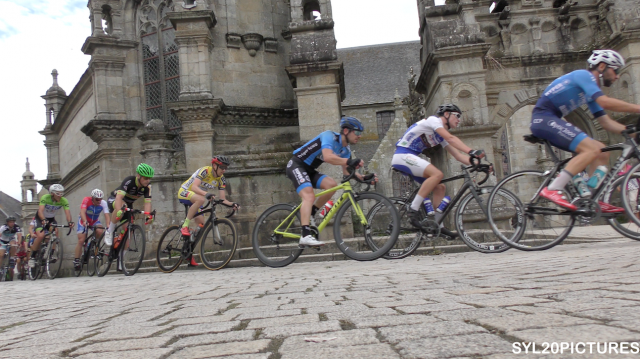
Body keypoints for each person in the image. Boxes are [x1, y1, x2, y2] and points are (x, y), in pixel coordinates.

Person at [531, 49, 640, 211]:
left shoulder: (590, 92)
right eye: (615, 70)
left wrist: (633, 133)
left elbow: (607, 123)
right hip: (544, 118)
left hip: (550, 120)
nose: (617, 76)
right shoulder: (584, 76)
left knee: (602, 151)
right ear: (602, 66)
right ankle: (553, 188)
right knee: (590, 149)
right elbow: (604, 102)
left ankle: (592, 197)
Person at [392, 103, 485, 238]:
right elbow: (451, 138)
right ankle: (413, 209)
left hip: (410, 158)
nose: (459, 120)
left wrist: (479, 163)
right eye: (457, 116)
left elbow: (458, 156)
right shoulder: (433, 121)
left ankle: (438, 225)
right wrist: (472, 151)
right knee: (437, 174)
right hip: (403, 155)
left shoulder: (439, 136)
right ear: (446, 114)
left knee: (440, 187)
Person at [286, 116, 375, 246]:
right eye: (357, 132)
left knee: (332, 185)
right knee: (309, 196)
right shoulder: (329, 136)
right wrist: (349, 161)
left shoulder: (345, 150)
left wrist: (363, 178)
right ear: (346, 131)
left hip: (309, 171)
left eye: (360, 133)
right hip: (296, 165)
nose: (359, 136)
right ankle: (305, 235)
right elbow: (327, 157)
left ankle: (311, 212)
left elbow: (347, 173)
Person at [178, 155, 239, 267]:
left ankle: (188, 254)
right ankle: (184, 226)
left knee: (200, 226)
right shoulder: (205, 171)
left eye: (226, 168)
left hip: (197, 199)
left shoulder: (221, 179)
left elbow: (222, 199)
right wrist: (207, 194)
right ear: (215, 166)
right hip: (185, 191)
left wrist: (232, 204)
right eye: (222, 167)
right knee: (201, 199)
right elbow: (194, 187)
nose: (224, 170)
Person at [104, 164, 155, 251]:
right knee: (123, 206)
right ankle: (109, 231)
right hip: (115, 200)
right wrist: (119, 210)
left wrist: (148, 216)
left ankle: (121, 260)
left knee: (129, 231)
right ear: (138, 176)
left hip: (128, 204)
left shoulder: (148, 187)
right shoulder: (129, 181)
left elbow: (147, 203)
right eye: (146, 178)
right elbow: (119, 197)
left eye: (149, 178)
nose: (148, 180)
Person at [29, 184, 73, 268]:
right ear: (52, 193)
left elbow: (67, 213)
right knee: (41, 235)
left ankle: (52, 253)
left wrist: (70, 222)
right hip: (40, 218)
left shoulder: (64, 201)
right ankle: (32, 256)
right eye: (58, 194)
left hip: (51, 219)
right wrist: (43, 220)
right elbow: (40, 211)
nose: (60, 196)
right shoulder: (45, 198)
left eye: (61, 193)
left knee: (56, 232)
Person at [74, 189, 111, 271]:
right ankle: (76, 260)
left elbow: (107, 215)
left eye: (101, 199)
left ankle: (92, 246)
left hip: (94, 221)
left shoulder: (103, 203)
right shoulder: (86, 200)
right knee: (81, 240)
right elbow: (82, 212)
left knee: (100, 231)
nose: (99, 201)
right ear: (92, 198)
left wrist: (108, 226)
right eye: (97, 199)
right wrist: (84, 221)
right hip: (84, 220)